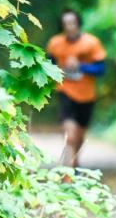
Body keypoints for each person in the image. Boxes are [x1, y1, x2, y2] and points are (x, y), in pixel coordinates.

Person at [46, 9, 107, 168]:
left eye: (72, 23)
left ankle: (73, 163)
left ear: (78, 24)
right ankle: (68, 171)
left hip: (87, 95)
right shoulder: (55, 43)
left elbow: (101, 69)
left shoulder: (91, 43)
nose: (69, 27)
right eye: (65, 24)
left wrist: (81, 66)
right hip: (65, 91)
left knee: (79, 137)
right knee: (70, 136)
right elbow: (47, 66)